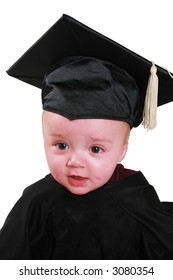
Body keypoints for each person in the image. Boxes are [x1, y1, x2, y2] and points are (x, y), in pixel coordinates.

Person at [0, 14, 173, 260]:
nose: (75, 162)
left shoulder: (134, 197)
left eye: (95, 149)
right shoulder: (36, 202)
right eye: (61, 145)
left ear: (122, 150)